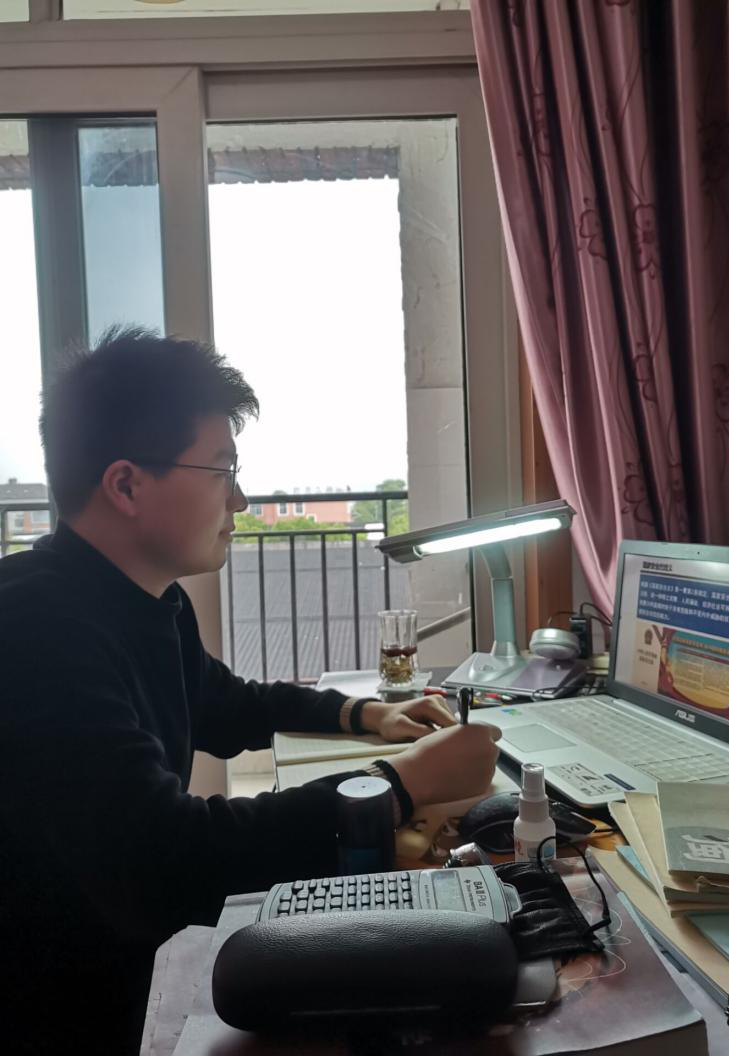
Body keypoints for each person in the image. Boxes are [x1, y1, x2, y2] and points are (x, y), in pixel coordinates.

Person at [0, 327, 500, 1055]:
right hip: (63, 1008)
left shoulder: (145, 600)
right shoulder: (32, 629)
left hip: (127, 973)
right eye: (221, 470)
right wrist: (397, 785)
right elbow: (165, 860)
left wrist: (364, 712)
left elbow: (227, 705)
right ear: (126, 485)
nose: (238, 497)